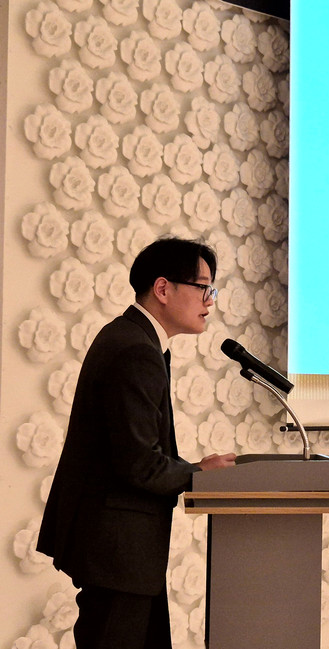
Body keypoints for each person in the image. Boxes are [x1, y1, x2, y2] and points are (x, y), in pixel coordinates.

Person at [37, 237, 237, 649]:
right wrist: (199, 472)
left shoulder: (133, 338)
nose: (210, 301)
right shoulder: (135, 350)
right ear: (163, 289)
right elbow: (139, 463)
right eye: (203, 287)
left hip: (121, 553)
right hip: (117, 553)